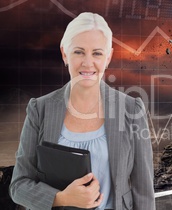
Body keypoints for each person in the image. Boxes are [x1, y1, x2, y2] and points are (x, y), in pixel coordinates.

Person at [9, 12, 155, 210]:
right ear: (64, 53)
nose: (88, 63)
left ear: (109, 56)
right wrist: (61, 198)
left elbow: (144, 193)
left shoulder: (131, 109)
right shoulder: (39, 109)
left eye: (97, 53)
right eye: (79, 52)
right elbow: (19, 186)